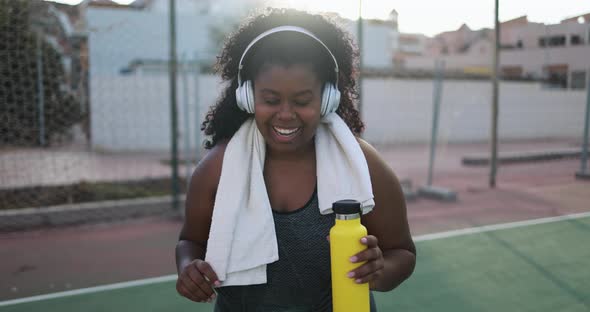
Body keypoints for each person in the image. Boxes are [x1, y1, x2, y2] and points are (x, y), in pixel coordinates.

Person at [175, 8, 416, 311]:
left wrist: (380, 271)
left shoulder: (363, 164)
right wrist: (188, 267)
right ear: (247, 97)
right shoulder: (216, 169)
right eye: (271, 100)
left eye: (302, 101)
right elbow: (190, 241)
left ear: (327, 98)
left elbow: (402, 252)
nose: (286, 114)